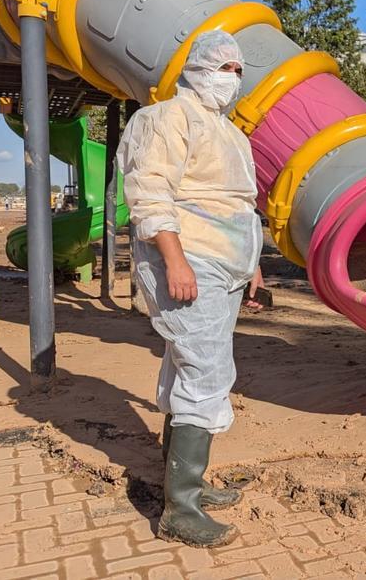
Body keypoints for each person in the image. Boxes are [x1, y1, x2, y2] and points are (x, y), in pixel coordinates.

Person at [117, 30, 263, 548]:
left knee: (188, 364)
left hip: (224, 266)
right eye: (224, 68)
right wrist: (175, 260)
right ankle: (179, 510)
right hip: (189, 260)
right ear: (197, 69)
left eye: (238, 70)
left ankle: (189, 485)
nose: (233, 79)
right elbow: (150, 192)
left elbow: (239, 205)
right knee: (205, 370)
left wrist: (252, 266)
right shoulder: (166, 118)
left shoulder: (229, 132)